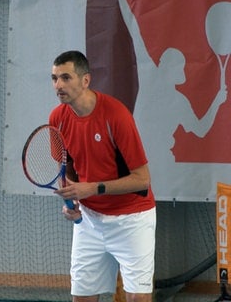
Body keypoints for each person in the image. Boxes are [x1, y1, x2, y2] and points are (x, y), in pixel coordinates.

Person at [49, 50, 156, 302]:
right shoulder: (57, 118)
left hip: (133, 219)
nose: (58, 85)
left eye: (66, 78)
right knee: (82, 299)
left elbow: (142, 179)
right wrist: (71, 201)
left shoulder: (116, 115)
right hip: (89, 221)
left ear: (85, 80)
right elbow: (66, 170)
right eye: (54, 78)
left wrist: (92, 189)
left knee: (137, 299)